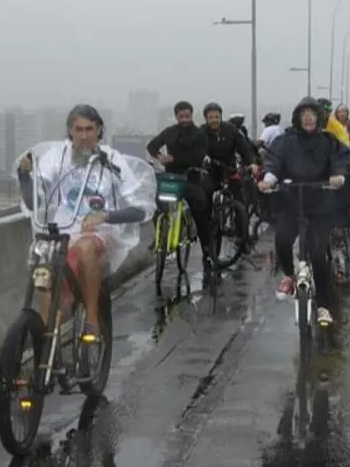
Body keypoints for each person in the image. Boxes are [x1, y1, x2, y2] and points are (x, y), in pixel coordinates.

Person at [16, 104, 153, 353]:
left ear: (99, 130)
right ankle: (47, 340)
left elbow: (140, 208)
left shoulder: (111, 160)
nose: (84, 136)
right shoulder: (57, 158)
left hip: (99, 232)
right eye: (78, 130)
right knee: (47, 273)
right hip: (63, 231)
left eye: (90, 129)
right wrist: (25, 176)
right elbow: (35, 198)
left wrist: (105, 215)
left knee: (86, 248)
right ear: (70, 131)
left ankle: (91, 319)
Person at [259, 97, 350, 326]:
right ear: (298, 118)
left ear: (319, 118)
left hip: (320, 204)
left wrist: (338, 176)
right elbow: (273, 162)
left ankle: (323, 306)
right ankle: (289, 276)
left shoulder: (328, 141)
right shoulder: (286, 141)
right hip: (291, 201)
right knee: (282, 239)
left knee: (319, 255)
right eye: (304, 114)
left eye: (313, 114)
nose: (309, 118)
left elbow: (341, 160)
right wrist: (269, 179)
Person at [146, 101, 215, 276]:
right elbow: (152, 146)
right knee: (157, 204)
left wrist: (173, 159)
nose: (184, 119)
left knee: (200, 209)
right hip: (171, 179)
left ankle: (207, 252)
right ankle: (158, 237)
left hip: (191, 179)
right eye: (181, 116)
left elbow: (197, 157)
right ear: (176, 116)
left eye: (187, 116)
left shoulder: (199, 134)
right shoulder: (170, 132)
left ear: (191, 115)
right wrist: (160, 156)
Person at [201, 102, 257, 199]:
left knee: (239, 199)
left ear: (221, 117)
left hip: (229, 169)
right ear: (206, 119)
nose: (214, 120)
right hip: (210, 171)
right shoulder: (201, 133)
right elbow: (198, 148)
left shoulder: (231, 130)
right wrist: (204, 156)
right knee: (206, 196)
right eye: (211, 118)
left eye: (217, 117)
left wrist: (252, 163)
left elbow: (245, 149)